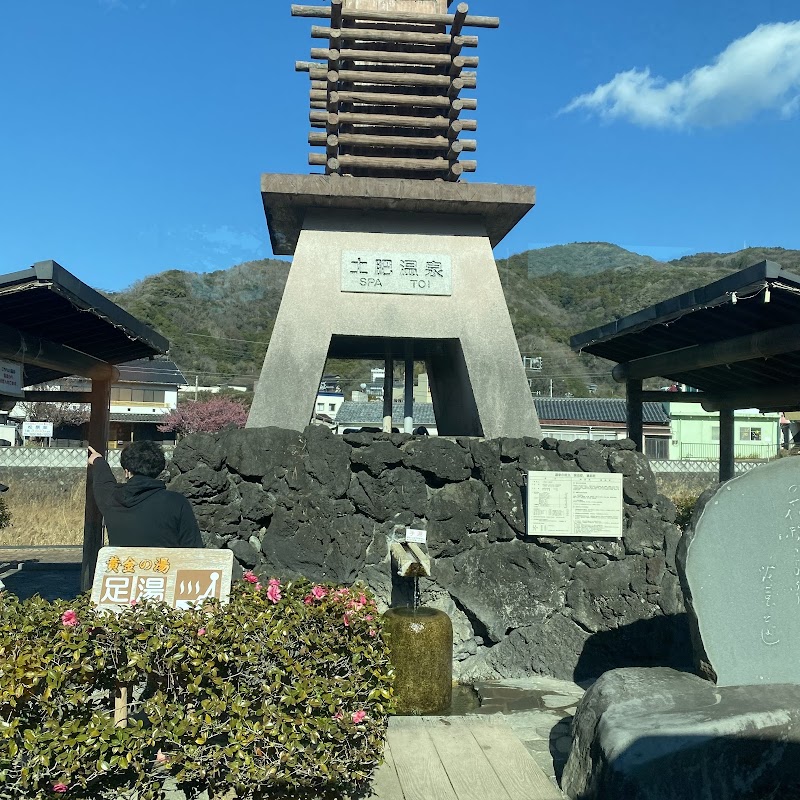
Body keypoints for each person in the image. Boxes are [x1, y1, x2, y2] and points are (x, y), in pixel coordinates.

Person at [88, 441, 203, 548]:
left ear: (127, 471)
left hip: (126, 567)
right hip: (164, 568)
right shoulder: (176, 502)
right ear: (159, 469)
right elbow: (192, 548)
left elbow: (104, 483)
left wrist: (99, 461)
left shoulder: (112, 499)